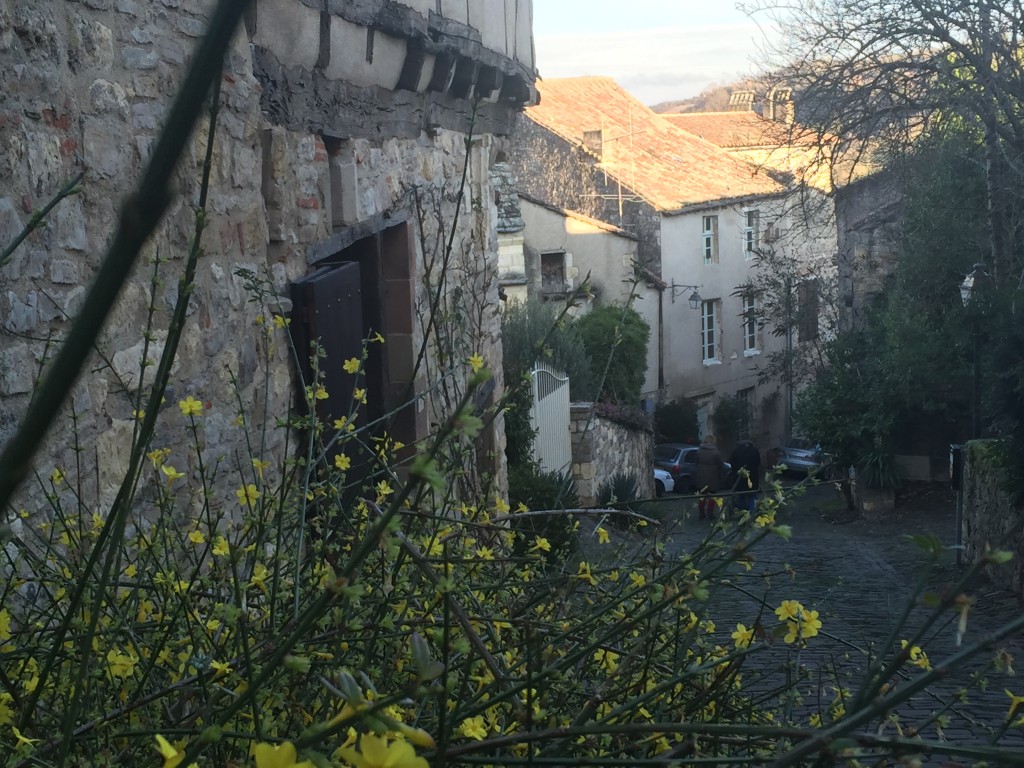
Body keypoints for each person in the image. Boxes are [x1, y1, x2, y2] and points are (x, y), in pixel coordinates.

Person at [694, 434, 725, 520]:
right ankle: (710, 513)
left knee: (701, 495)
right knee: (712, 495)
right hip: (713, 476)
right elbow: (720, 464)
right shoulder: (716, 452)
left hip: (701, 475)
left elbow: (695, 462)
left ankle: (701, 513)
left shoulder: (699, 451)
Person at [729, 439, 762, 514]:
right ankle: (753, 512)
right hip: (752, 477)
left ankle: (741, 512)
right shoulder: (754, 451)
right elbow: (758, 462)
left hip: (739, 477)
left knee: (741, 495)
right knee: (752, 495)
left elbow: (731, 462)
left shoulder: (735, 451)